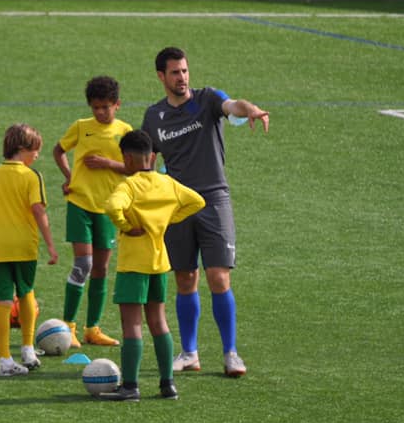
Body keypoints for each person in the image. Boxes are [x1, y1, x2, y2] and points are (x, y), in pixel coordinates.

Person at [141, 46, 270, 377]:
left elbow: (233, 106)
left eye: (184, 71)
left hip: (214, 199)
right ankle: (190, 353)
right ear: (161, 77)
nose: (182, 77)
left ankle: (231, 353)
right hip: (177, 205)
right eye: (174, 72)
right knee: (185, 279)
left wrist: (252, 109)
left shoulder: (207, 99)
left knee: (218, 276)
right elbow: (146, 162)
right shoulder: (154, 117)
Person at [100, 130, 205, 401]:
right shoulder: (168, 183)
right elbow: (197, 201)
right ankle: (167, 384)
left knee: (132, 324)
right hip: (160, 263)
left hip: (134, 264)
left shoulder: (129, 186)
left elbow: (112, 207)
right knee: (159, 322)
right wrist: (165, 220)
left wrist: (126, 226)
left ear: (128, 158)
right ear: (152, 156)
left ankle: (131, 387)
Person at [52, 75, 132, 348]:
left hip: (108, 209)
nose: (100, 112)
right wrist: (69, 176)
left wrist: (107, 163)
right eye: (95, 107)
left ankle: (92, 329)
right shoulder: (81, 127)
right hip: (81, 204)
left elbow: (134, 168)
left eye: (105, 107)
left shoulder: (125, 132)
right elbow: (58, 150)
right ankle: (68, 327)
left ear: (117, 105)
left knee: (101, 268)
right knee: (83, 264)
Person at [0, 123, 58, 377]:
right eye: (35, 150)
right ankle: (27, 348)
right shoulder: (31, 176)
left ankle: (5, 360)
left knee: (2, 301)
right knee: (26, 293)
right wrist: (51, 245)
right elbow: (38, 210)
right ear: (22, 149)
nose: (37, 156)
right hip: (24, 247)